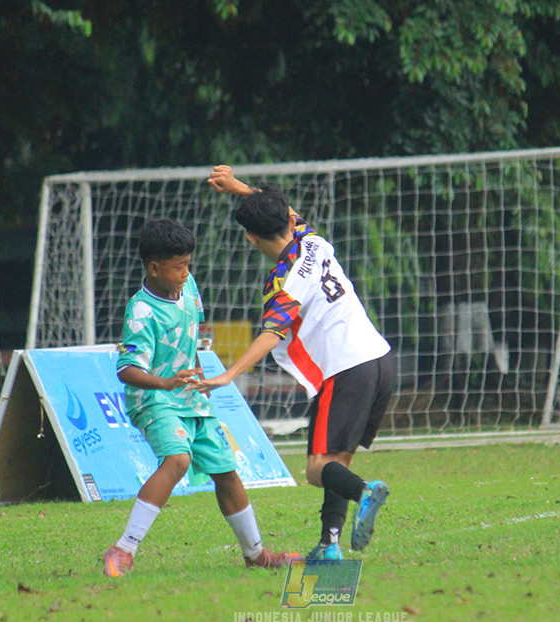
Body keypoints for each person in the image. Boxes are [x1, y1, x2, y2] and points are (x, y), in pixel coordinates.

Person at [190, 165, 397, 561]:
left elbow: (272, 333)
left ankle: (364, 492)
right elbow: (279, 209)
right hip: (381, 360)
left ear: (250, 237)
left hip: (345, 367)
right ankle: (329, 546)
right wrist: (239, 188)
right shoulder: (312, 240)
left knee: (318, 471)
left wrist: (229, 374)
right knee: (338, 460)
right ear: (288, 218)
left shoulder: (282, 282)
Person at [102, 217, 297, 576]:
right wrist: (166, 383)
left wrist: (199, 378)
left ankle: (256, 555)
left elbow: (190, 335)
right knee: (177, 460)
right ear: (155, 268)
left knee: (226, 471)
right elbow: (126, 370)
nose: (186, 272)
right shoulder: (141, 311)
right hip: (155, 399)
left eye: (188, 264)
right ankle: (122, 549)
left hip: (192, 396)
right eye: (179, 266)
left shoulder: (188, 286)